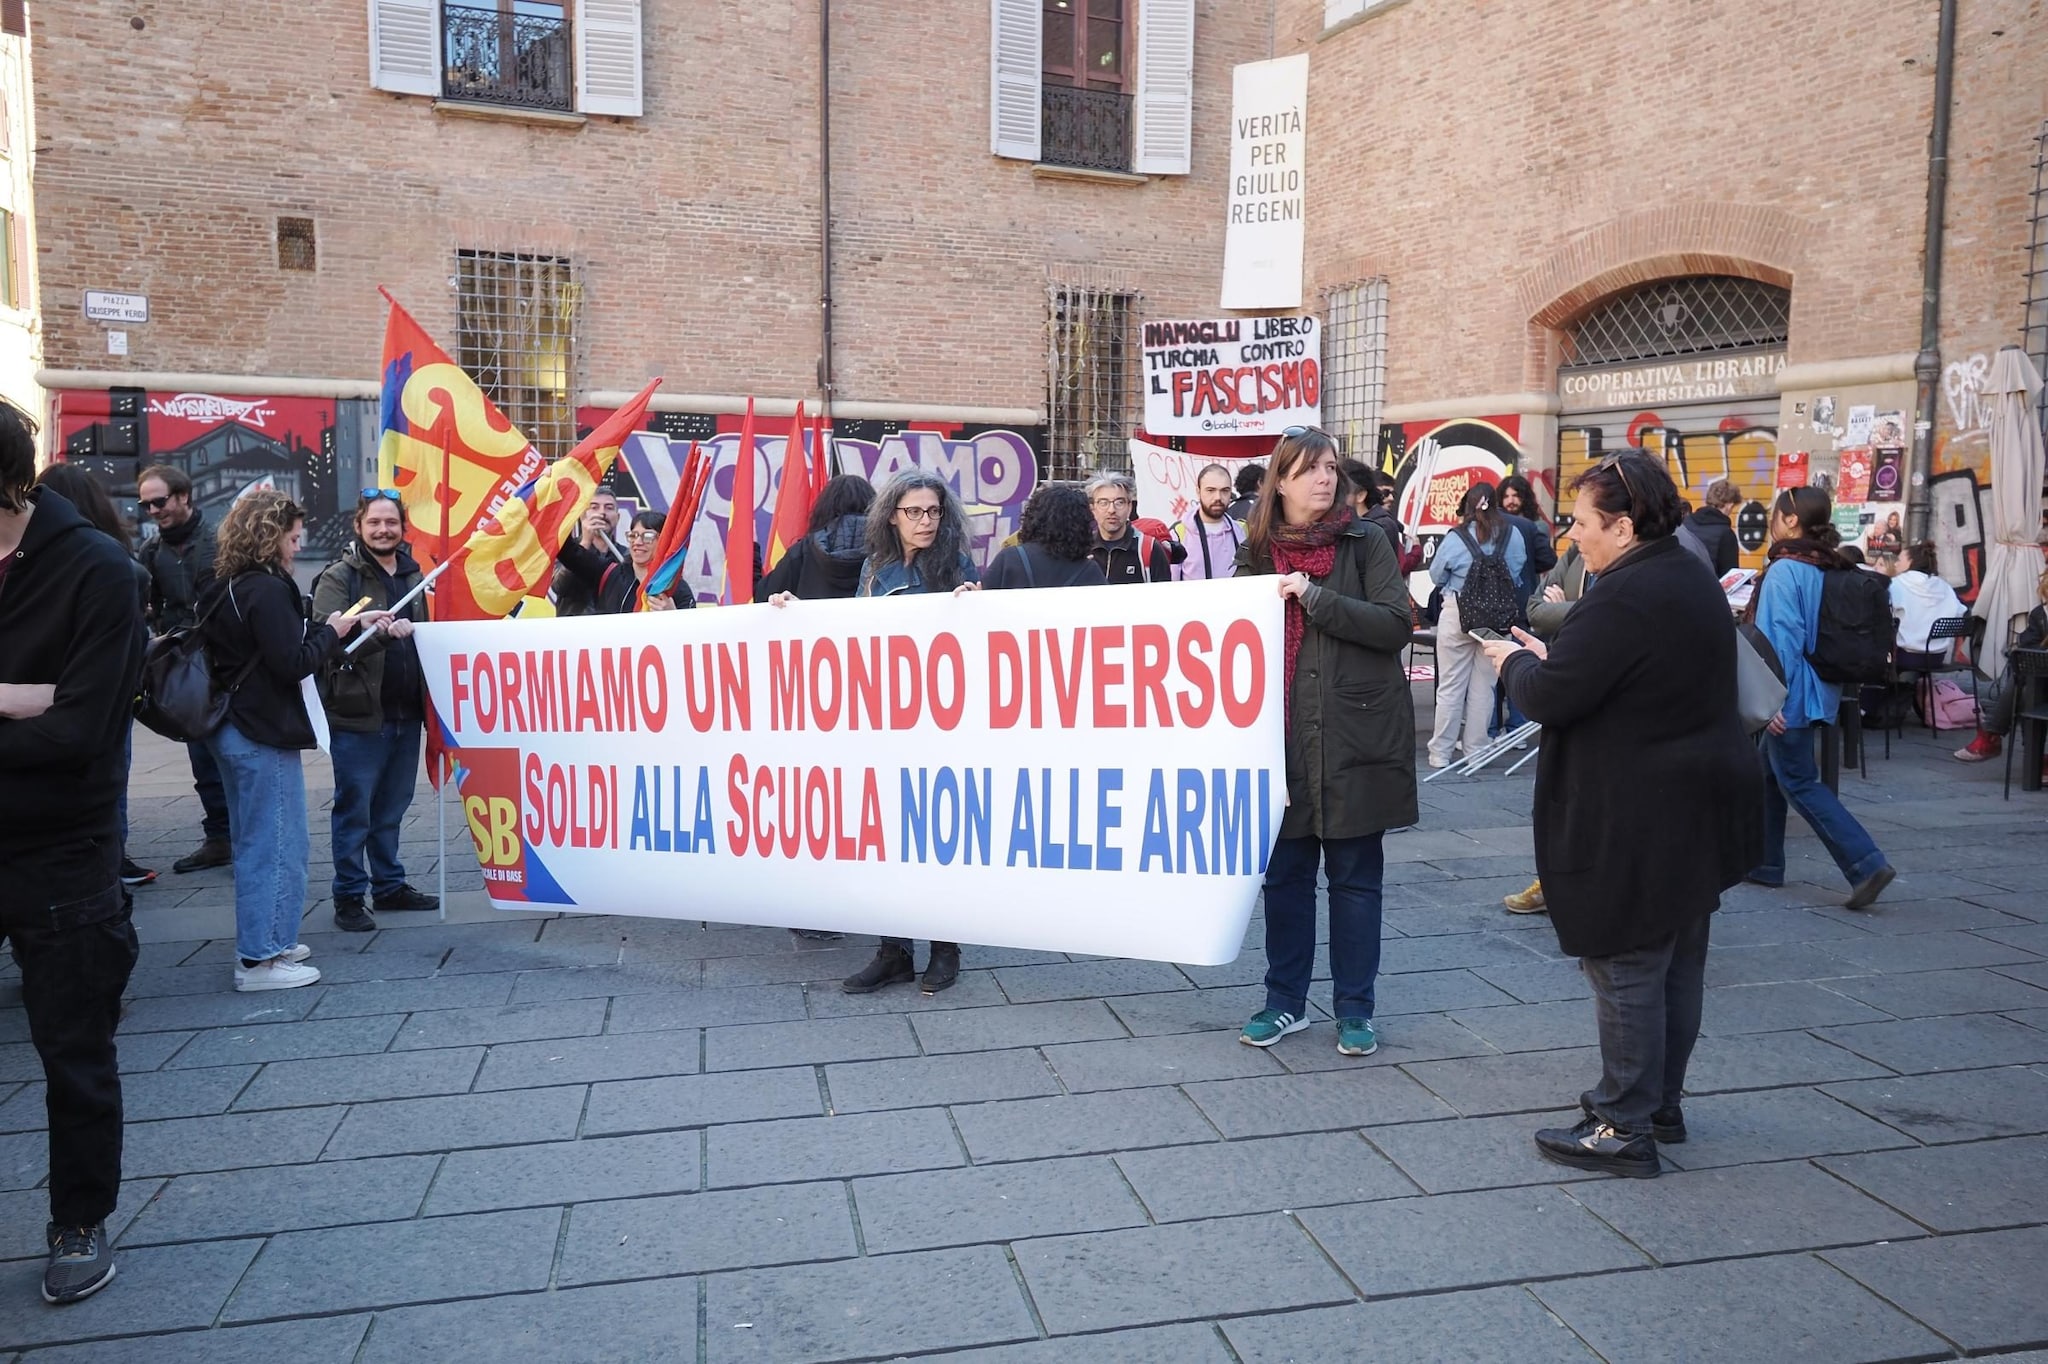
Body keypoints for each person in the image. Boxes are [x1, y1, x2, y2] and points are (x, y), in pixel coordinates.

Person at [1480, 448, 1761, 1179]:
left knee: (1628, 960)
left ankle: (1622, 1124)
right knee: (1675, 960)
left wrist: (1511, 664)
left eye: (1582, 525)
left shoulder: (1628, 589)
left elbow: (1551, 697)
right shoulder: (1682, 571)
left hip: (1643, 809)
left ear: (1626, 526)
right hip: (1696, 799)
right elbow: (1615, 671)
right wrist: (1558, 655)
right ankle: (1659, 1105)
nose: (1573, 538)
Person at [0, 401, 148, 1304]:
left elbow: (80, 733)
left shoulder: (95, 570)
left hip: (60, 848)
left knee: (73, 1051)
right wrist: (23, 696)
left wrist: (45, 708)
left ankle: (78, 1221)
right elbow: (49, 715)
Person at [1230, 429, 1415, 1058]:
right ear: (1279, 481)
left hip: (1355, 735)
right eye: (1310, 470)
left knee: (1356, 880)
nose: (1325, 480)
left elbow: (1395, 625)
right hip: (1277, 740)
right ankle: (1284, 1002)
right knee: (1285, 878)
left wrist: (1314, 598)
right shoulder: (1256, 550)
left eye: (1331, 468)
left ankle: (1355, 1009)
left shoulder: (1366, 543)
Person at [200, 491, 389, 991]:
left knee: (257, 841)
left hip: (234, 726)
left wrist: (339, 624)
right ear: (271, 534)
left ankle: (274, 939)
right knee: (277, 844)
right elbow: (293, 661)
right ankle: (260, 959)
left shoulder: (230, 584)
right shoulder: (265, 587)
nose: (297, 541)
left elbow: (278, 641)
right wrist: (332, 635)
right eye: (292, 533)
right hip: (260, 729)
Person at [842, 471, 980, 994]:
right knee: (888, 841)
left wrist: (974, 605)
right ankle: (893, 950)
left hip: (940, 726)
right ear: (891, 516)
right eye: (914, 512)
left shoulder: (956, 566)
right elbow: (850, 633)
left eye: (934, 512)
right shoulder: (874, 569)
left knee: (937, 837)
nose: (926, 521)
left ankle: (945, 949)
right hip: (886, 723)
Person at [1746, 487, 1896, 910]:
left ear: (1791, 520)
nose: (1772, 520)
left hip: (1790, 694)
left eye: (1777, 513)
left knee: (1799, 781)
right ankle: (1764, 863)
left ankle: (1865, 863)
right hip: (1819, 690)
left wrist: (1771, 702)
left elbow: (1782, 642)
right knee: (1768, 776)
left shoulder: (1785, 569)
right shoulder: (1825, 563)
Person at [310, 491, 438, 932]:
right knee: (354, 810)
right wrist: (380, 635)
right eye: (375, 523)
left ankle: (388, 886)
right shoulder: (339, 578)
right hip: (358, 717)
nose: (383, 529)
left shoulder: (415, 574)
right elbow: (329, 645)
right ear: (359, 527)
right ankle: (348, 896)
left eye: (391, 522)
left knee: (392, 807)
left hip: (405, 713)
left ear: (403, 527)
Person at [35, 464, 156, 888]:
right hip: (103, 691)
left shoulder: (33, 557)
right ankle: (108, 862)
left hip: (41, 690)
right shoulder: (111, 556)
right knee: (107, 777)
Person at [135, 463, 233, 875]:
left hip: (227, 659)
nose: (153, 511)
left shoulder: (219, 541)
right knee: (200, 754)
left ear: (184, 497)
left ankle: (244, 837)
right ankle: (219, 838)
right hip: (183, 665)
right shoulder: (150, 552)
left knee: (234, 753)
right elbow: (149, 606)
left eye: (159, 501)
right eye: (146, 505)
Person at [1499, 539, 1595, 916]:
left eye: (1585, 522)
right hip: (1566, 675)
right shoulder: (1577, 551)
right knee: (1558, 800)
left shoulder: (1641, 571)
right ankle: (1554, 881)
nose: (1577, 531)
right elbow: (1537, 611)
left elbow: (1605, 613)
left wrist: (1569, 608)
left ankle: (1572, 885)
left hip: (1595, 700)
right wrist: (1572, 609)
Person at [1425, 482, 1526, 767]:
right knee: (1485, 686)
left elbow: (1436, 576)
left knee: (1450, 686)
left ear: (1467, 505)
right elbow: (1517, 571)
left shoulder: (1457, 537)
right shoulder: (1512, 534)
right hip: (1497, 618)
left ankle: (1440, 754)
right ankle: (1477, 751)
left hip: (1458, 612)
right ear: (1495, 503)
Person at [1955, 565, 2048, 762]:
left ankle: (1992, 736)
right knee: (2024, 685)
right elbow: (2027, 648)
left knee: (2023, 686)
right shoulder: (2040, 615)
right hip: (2042, 683)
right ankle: (2036, 760)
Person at [1491, 475, 1558, 741]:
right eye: (1506, 496)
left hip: (1497, 605)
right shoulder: (1532, 527)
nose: (1510, 501)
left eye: (1515, 495)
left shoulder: (1529, 526)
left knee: (1500, 664)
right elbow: (1548, 559)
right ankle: (1516, 729)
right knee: (1517, 659)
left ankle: (1496, 728)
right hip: (1520, 601)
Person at [759, 474, 876, 601]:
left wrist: (749, 555)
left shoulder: (801, 552)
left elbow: (763, 597)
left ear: (824, 508)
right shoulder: (889, 550)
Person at [557, 509, 695, 613]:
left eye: (647, 536)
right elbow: (565, 550)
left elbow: (695, 637)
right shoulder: (609, 574)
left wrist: (674, 615)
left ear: (664, 542)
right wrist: (555, 494)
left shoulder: (677, 588)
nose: (638, 542)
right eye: (633, 535)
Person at [983, 482, 1108, 589]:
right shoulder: (1089, 570)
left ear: (1034, 517)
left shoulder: (1010, 559)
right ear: (1082, 524)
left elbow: (982, 602)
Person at [1085, 472, 1173, 584]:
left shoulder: (1149, 549)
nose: (1111, 510)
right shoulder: (1083, 549)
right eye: (1104, 503)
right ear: (1093, 508)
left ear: (1129, 507)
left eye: (1119, 502)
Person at [1889, 539, 1967, 665]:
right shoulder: (1944, 587)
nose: (1895, 564)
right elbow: (1961, 613)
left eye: (1899, 560)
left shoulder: (1897, 583)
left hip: (1904, 656)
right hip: (1937, 657)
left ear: (1911, 562)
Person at [552, 489, 623, 616]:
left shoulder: (626, 556)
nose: (602, 513)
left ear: (617, 518)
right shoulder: (566, 550)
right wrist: (585, 543)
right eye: (594, 507)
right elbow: (559, 586)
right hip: (574, 631)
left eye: (609, 508)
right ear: (583, 516)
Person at [1172, 464, 1244, 582]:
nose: (1218, 497)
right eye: (1211, 490)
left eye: (1225, 491)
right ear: (1198, 491)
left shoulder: (1242, 531)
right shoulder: (1178, 534)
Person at [1681, 479, 1743, 577]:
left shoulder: (1685, 524)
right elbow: (1729, 576)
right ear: (1729, 505)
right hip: (1708, 589)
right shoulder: (1726, 534)